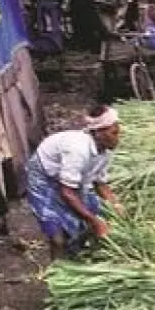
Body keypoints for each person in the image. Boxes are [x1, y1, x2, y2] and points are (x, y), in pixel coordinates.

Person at [26, 104, 124, 259]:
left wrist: (116, 205)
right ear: (98, 133)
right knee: (58, 236)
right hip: (44, 178)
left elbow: (100, 183)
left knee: (90, 217)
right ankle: (57, 271)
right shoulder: (78, 150)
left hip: (70, 180)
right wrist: (94, 221)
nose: (118, 137)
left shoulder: (104, 150)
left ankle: (76, 254)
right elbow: (67, 193)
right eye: (114, 133)